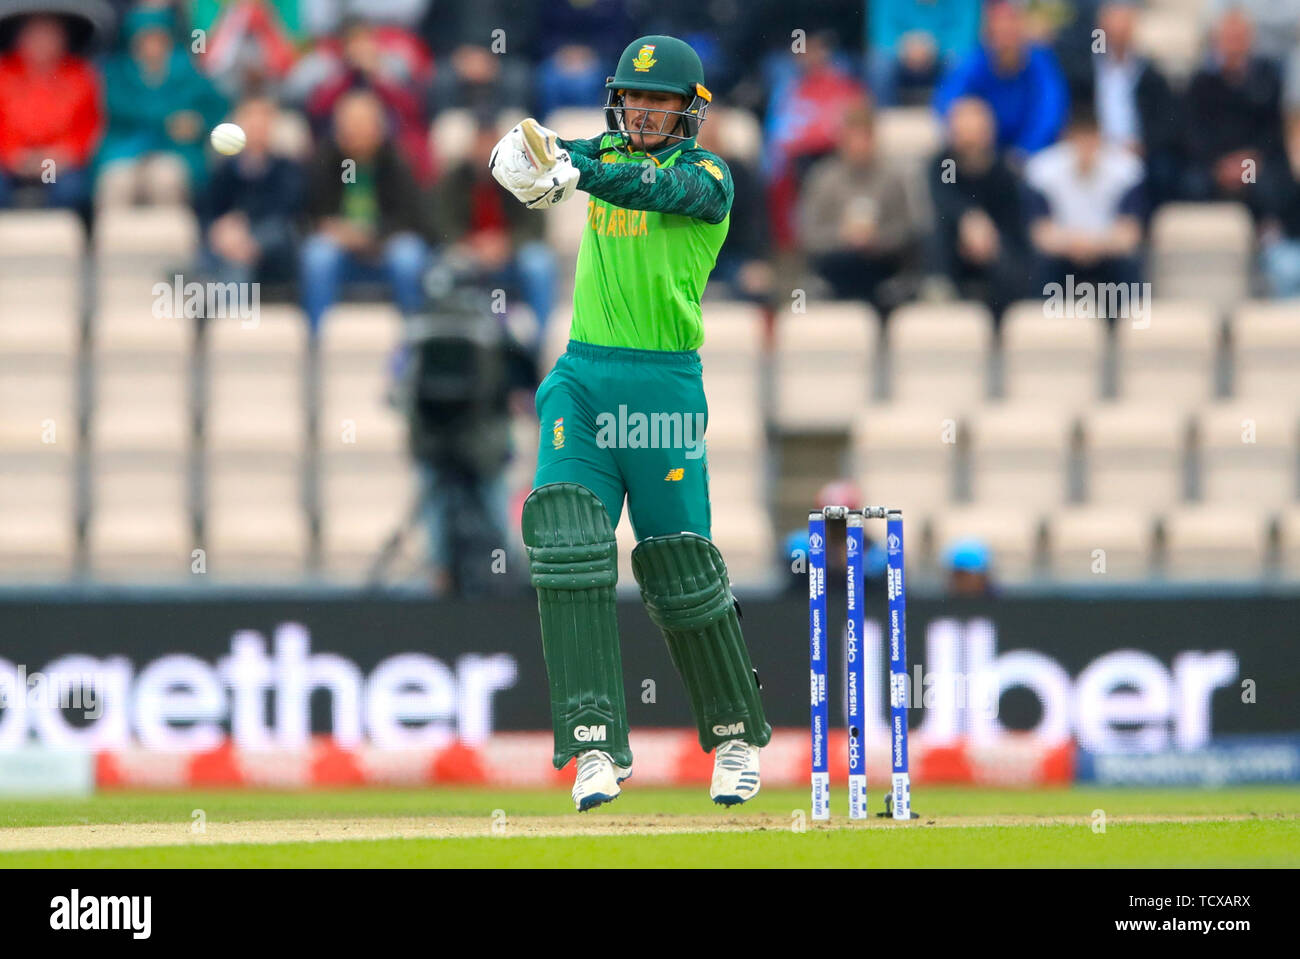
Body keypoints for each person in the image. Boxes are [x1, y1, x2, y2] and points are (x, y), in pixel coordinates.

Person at [490, 35, 771, 811]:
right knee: (569, 543)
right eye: (635, 99)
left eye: (660, 101)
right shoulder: (604, 153)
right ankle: (592, 747)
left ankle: (734, 735)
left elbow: (643, 185)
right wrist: (521, 154)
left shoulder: (710, 176)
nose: (644, 112)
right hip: (581, 380)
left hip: (661, 391)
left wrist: (578, 170)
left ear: (690, 110)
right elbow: (566, 152)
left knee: (679, 568)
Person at [299, 90, 430, 332]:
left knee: (408, 257)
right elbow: (311, 212)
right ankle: (318, 339)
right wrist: (336, 230)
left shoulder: (397, 160)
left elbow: (411, 218)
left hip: (384, 247)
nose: (355, 131)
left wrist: (370, 235)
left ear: (379, 127)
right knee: (317, 257)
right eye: (349, 124)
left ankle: (412, 340)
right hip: (340, 249)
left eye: (362, 124)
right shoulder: (325, 158)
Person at [436, 119, 557, 345]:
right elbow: (440, 223)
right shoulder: (453, 178)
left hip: (511, 257)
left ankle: (536, 348)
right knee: (441, 269)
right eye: (480, 144)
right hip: (468, 256)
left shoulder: (523, 175)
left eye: (491, 143)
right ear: (470, 147)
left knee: (539, 263)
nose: (485, 151)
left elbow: (536, 225)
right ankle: (447, 345)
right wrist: (471, 244)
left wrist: (507, 244)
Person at [1024, 102, 1145, 324]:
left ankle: (1126, 329)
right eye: (1080, 140)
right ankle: (1042, 327)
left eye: (1091, 140)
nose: (1086, 148)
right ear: (1068, 139)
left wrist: (1093, 245)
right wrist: (1074, 243)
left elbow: (1130, 234)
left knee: (1129, 263)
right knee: (1041, 264)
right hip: (1063, 252)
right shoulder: (1042, 170)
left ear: (1101, 139)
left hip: (1105, 251)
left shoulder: (1126, 171)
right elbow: (1040, 234)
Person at [97, 6, 227, 206]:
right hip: (126, 149)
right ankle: (111, 237)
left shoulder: (188, 71)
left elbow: (217, 108)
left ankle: (173, 237)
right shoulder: (116, 74)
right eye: (145, 39)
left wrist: (197, 123)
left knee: (166, 178)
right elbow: (117, 110)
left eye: (158, 38)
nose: (152, 45)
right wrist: (169, 119)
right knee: (116, 180)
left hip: (174, 151)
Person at [799, 103, 918, 311]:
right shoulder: (823, 178)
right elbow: (809, 234)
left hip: (881, 266)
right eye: (853, 138)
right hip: (836, 267)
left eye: (864, 138)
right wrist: (842, 236)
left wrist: (876, 238)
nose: (859, 145)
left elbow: (906, 230)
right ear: (842, 141)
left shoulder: (892, 179)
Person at [926, 96, 1032, 320]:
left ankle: (1006, 319)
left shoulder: (1004, 172)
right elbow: (945, 198)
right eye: (961, 132)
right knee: (935, 235)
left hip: (996, 249)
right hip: (956, 246)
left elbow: (1013, 224)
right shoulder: (945, 164)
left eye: (974, 132)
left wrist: (989, 239)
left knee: (1018, 259)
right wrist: (969, 219)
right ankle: (941, 299)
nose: (967, 140)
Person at [1182, 7, 1290, 223]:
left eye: (1239, 37)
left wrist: (1250, 160)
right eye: (1229, 38)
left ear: (1250, 40)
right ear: (1217, 41)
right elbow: (1192, 131)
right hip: (1214, 164)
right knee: (1192, 184)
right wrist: (1220, 165)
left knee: (1270, 187)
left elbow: (1273, 130)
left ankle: (1269, 239)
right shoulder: (1201, 83)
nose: (1234, 44)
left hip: (1253, 162)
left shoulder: (1267, 78)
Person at [934, 0, 1069, 158]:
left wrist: (1024, 151)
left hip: (1033, 156)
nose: (1005, 39)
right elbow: (946, 101)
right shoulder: (973, 61)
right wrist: (971, 122)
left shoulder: (1041, 62)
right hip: (984, 155)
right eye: (999, 32)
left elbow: (1050, 112)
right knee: (966, 118)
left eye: (1011, 30)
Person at [198, 95, 303, 286]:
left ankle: (229, 312)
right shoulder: (225, 169)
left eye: (263, 122)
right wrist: (222, 231)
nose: (256, 128)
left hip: (273, 248)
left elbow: (285, 209)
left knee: (243, 253)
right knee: (226, 256)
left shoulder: (286, 168)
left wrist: (242, 226)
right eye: (251, 120)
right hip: (230, 242)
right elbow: (208, 209)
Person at [868, 0, 982, 107]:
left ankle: (953, 120)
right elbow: (881, 35)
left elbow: (966, 36)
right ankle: (882, 121)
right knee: (879, 65)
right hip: (900, 55)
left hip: (943, 57)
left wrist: (934, 46)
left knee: (961, 62)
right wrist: (905, 47)